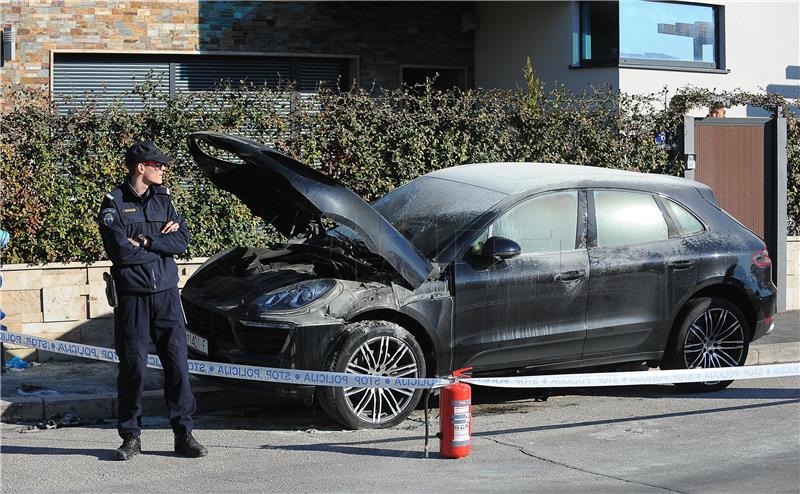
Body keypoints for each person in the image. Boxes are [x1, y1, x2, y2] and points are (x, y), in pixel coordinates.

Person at [98, 140, 207, 460]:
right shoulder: (113, 204)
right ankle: (131, 436)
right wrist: (161, 243)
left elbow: (182, 240)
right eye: (156, 164)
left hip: (167, 296)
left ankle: (183, 434)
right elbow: (119, 252)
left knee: (178, 367)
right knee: (133, 368)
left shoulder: (164, 199)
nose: (162, 168)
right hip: (133, 298)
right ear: (140, 167)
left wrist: (146, 240)